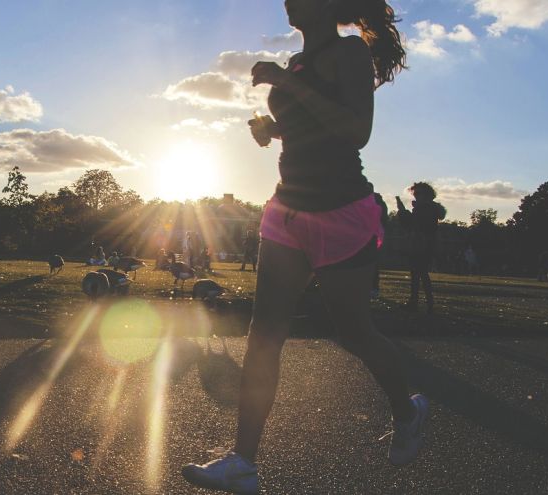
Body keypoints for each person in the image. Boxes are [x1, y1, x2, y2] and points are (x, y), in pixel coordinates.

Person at [182, 1, 427, 492]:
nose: (288, 1)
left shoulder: (349, 53)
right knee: (264, 333)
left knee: (353, 332)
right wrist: (270, 130)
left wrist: (285, 83)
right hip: (288, 207)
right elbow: (308, 126)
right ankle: (243, 463)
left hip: (339, 209)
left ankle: (408, 408)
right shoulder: (294, 64)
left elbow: (356, 131)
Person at [396, 183, 446, 314]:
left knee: (419, 273)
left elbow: (414, 225)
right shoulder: (428, 208)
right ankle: (425, 303)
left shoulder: (425, 209)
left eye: (418, 194)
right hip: (423, 244)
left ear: (427, 195)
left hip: (422, 244)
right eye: (415, 194)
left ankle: (420, 303)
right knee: (419, 273)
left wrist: (403, 213)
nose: (416, 196)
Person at [372, 192, 388, 298]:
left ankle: (374, 287)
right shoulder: (380, 203)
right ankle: (374, 287)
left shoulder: (373, 203)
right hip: (375, 235)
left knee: (372, 263)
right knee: (373, 263)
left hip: (372, 235)